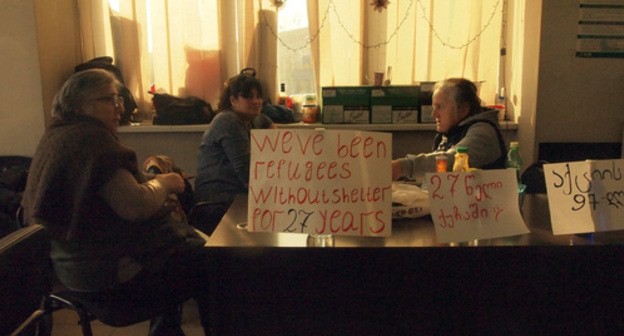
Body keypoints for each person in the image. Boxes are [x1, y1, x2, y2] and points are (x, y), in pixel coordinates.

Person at [21, 69, 212, 335]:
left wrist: (151, 178)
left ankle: (166, 329)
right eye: (110, 100)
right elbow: (136, 206)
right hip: (108, 283)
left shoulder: (57, 136)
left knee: (174, 248)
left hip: (67, 273)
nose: (120, 107)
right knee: (209, 259)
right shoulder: (92, 140)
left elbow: (110, 183)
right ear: (79, 106)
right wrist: (165, 183)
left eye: (118, 99)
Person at [193, 73, 274, 235]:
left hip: (234, 195)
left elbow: (265, 121)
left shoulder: (251, 119)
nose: (256, 101)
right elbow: (247, 174)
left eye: (259, 96)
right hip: (217, 200)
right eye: (248, 97)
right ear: (233, 100)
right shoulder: (229, 121)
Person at [392, 77, 507, 182]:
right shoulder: (448, 134)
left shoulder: (483, 132)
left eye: (440, 107)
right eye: (433, 107)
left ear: (463, 110)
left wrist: (402, 167)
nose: (434, 114)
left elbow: (452, 161)